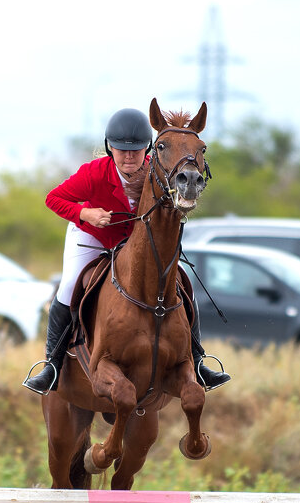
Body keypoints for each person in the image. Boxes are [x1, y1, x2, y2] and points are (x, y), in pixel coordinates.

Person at [23, 107, 230, 395]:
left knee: (183, 284)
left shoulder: (154, 170)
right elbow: (53, 198)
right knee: (69, 285)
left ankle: (197, 362)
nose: (129, 157)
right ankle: (52, 365)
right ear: (110, 148)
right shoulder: (94, 173)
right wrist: (86, 214)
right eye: (122, 150)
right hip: (92, 237)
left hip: (134, 243)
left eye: (135, 150)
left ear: (147, 149)